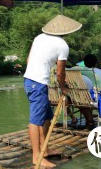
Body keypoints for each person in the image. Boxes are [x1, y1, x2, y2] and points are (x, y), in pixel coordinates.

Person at [23, 14, 82, 168]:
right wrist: (63, 87)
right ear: (66, 31)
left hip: (30, 80)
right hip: (38, 83)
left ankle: (45, 149)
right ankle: (37, 156)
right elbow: (60, 74)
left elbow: (29, 60)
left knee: (47, 116)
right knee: (36, 120)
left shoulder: (39, 37)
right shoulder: (62, 45)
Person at [77, 54, 101, 127]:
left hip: (80, 98)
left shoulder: (79, 71)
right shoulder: (97, 71)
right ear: (95, 64)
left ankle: (89, 120)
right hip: (94, 99)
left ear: (84, 63)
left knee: (87, 94)